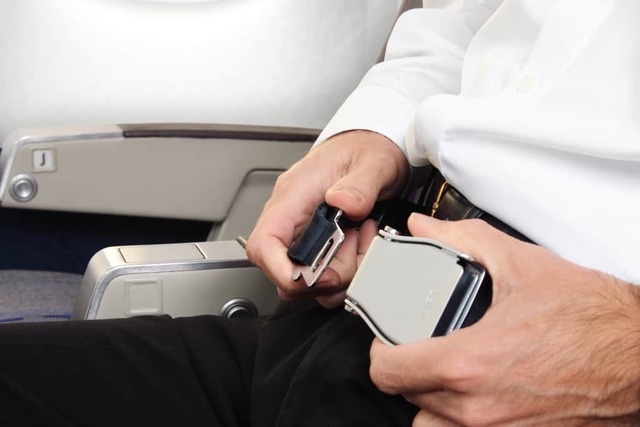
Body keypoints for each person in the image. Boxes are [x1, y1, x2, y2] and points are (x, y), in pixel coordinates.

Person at [0, 1, 638, 425]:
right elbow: (471, 22)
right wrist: (376, 130)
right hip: (346, 324)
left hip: (557, 374)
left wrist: (624, 363)